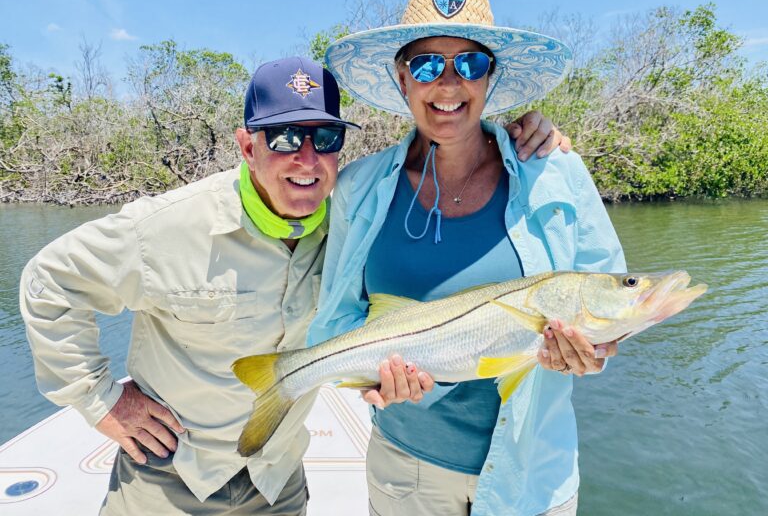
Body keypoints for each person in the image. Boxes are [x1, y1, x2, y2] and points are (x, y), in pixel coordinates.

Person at [19, 54, 565, 515]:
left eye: (324, 137)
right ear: (246, 145)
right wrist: (103, 402)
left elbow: (435, 172)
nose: (306, 159)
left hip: (277, 482)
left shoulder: (353, 223)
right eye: (282, 137)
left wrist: (520, 139)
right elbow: (48, 284)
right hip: (167, 476)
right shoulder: (165, 227)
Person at [307, 0, 627, 516]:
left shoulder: (557, 172)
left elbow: (609, 306)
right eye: (428, 65)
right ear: (403, 79)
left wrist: (593, 354)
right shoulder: (357, 188)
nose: (449, 84)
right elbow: (338, 318)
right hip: (406, 470)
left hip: (534, 475)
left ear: (491, 78)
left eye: (470, 64)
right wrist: (370, 383)